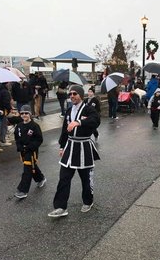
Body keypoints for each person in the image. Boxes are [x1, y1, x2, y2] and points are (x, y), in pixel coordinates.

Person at [48, 85, 100, 218]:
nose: (72, 96)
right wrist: (61, 146)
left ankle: (88, 201)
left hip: (84, 147)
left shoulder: (89, 109)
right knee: (64, 177)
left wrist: (79, 122)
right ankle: (60, 206)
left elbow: (96, 120)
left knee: (85, 179)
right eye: (70, 94)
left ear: (81, 95)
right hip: (70, 146)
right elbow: (65, 129)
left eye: (75, 93)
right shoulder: (69, 110)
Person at [14, 105, 46, 199]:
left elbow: (39, 139)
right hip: (23, 151)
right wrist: (19, 147)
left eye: (26, 113)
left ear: (30, 114)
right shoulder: (19, 126)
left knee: (27, 170)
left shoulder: (34, 126)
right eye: (22, 113)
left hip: (31, 151)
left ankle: (22, 190)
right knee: (32, 167)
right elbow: (17, 138)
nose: (24, 115)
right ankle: (41, 178)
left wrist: (30, 147)